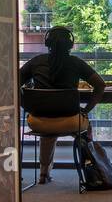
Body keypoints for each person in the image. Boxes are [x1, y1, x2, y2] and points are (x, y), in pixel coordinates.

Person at [19, 25, 105, 184]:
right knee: (85, 126)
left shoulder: (36, 61)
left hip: (38, 123)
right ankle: (91, 173)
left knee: (49, 126)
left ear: (47, 43)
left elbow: (13, 84)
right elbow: (100, 85)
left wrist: (29, 105)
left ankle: (44, 173)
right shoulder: (76, 63)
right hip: (71, 122)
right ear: (71, 45)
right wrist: (86, 110)